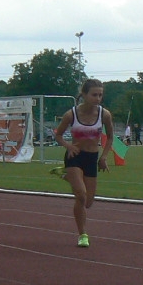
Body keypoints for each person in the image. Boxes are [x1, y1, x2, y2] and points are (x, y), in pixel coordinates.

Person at [52, 78, 114, 248]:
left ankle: (66, 176)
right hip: (75, 156)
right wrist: (68, 145)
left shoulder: (104, 114)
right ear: (85, 95)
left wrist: (104, 157)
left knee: (88, 202)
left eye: (100, 95)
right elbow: (58, 135)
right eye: (94, 94)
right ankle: (83, 234)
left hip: (92, 158)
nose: (98, 98)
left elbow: (110, 137)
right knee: (80, 195)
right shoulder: (71, 114)